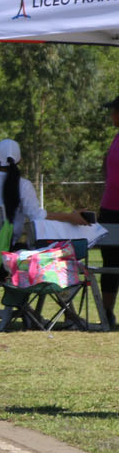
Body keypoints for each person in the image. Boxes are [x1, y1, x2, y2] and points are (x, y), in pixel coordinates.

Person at [0, 138, 88, 241]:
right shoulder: (24, 185)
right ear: (19, 160)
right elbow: (37, 216)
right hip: (7, 249)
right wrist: (71, 217)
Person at [98, 99, 119, 324]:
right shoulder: (116, 138)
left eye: (114, 111)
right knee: (110, 263)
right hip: (110, 210)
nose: (112, 115)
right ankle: (107, 311)